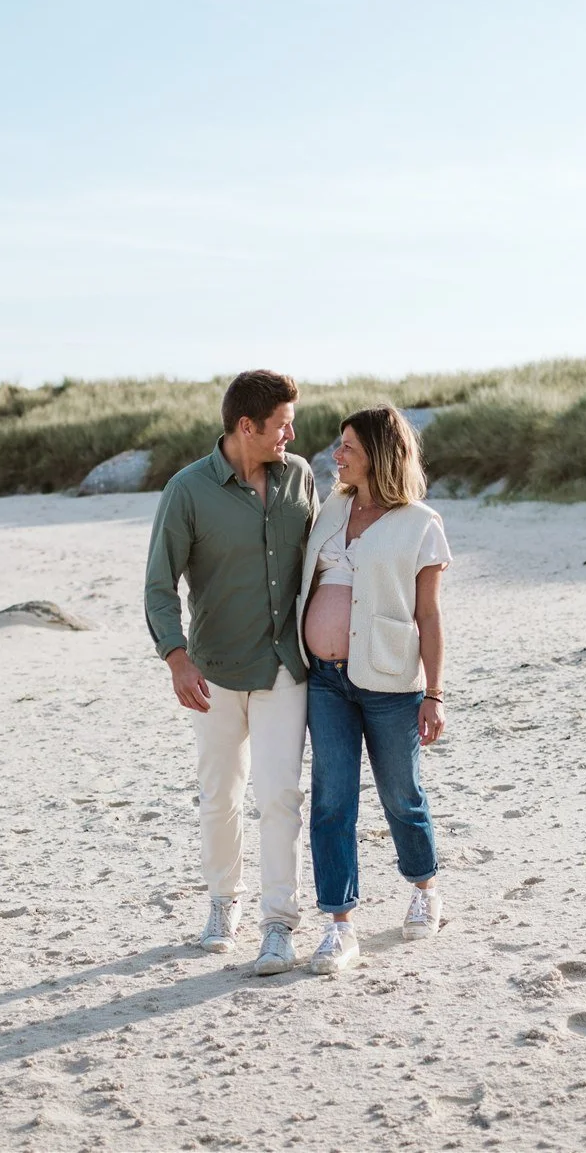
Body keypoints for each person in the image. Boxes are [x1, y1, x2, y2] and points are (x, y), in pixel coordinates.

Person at [144, 370, 317, 976]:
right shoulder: (187, 490)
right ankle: (223, 902)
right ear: (247, 426)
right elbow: (159, 584)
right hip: (214, 670)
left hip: (285, 665)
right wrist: (176, 657)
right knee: (220, 795)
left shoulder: (300, 476)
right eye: (282, 424)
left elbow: (321, 562)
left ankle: (279, 924)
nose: (291, 434)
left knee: (281, 795)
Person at [297, 405, 451, 974]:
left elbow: (428, 616)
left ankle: (424, 889)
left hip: (390, 682)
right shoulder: (332, 508)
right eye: (338, 445)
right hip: (324, 681)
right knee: (331, 801)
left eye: (349, 447)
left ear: (380, 455)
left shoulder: (421, 523)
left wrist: (434, 693)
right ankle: (339, 926)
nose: (336, 455)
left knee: (401, 796)